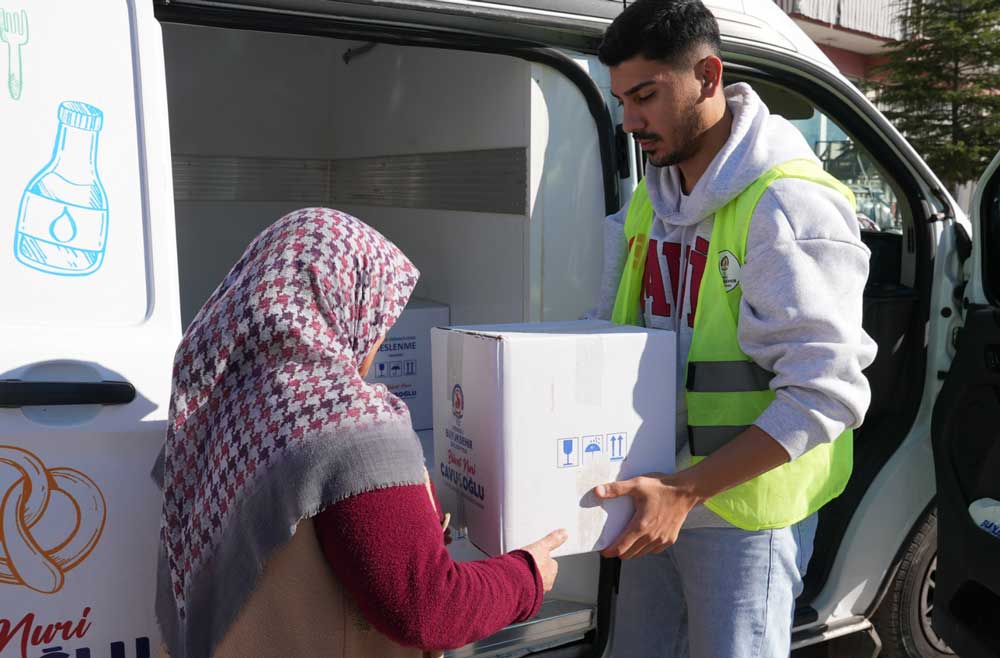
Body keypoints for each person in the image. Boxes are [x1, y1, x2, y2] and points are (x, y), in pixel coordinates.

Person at [585, 1, 877, 656]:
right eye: (621, 100)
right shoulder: (646, 199)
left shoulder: (787, 204)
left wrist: (686, 492)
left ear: (708, 77)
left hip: (742, 513)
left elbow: (827, 394)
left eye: (646, 96)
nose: (630, 121)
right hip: (655, 493)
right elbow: (603, 330)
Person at [153, 207, 567, 658]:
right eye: (381, 319)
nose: (378, 341)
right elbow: (426, 607)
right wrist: (526, 577)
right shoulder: (348, 423)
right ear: (343, 303)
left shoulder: (225, 401)